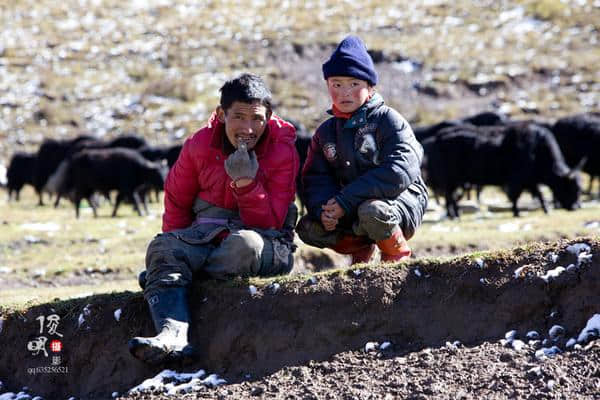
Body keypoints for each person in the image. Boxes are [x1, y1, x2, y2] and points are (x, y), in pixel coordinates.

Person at [129, 73, 299, 364]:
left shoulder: (282, 151)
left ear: (269, 116)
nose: (248, 128)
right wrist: (174, 253)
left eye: (257, 118)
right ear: (221, 114)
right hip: (206, 237)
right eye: (238, 117)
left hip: (266, 243)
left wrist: (246, 183)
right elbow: (177, 205)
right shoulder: (199, 146)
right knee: (163, 247)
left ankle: (172, 279)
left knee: (242, 246)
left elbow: (271, 222)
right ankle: (172, 335)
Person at [296, 35, 428, 265]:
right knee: (309, 228)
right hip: (351, 206)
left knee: (372, 211)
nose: (345, 92)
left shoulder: (389, 120)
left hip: (401, 200)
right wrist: (323, 210)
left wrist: (345, 201)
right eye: (337, 84)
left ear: (370, 86)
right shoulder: (325, 133)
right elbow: (315, 178)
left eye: (354, 84)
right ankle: (363, 249)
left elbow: (399, 171)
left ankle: (396, 256)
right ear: (328, 86)